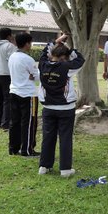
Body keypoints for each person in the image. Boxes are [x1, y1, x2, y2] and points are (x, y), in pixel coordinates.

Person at [38, 34, 85, 177]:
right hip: (66, 109)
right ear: (65, 57)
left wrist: (56, 42)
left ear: (52, 55)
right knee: (65, 137)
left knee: (48, 137)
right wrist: (69, 49)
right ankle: (65, 169)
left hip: (48, 108)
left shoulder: (42, 64)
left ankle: (44, 167)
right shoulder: (67, 67)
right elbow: (80, 59)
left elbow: (45, 51)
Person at [7, 32, 40, 157]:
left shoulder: (12, 56)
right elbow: (37, 77)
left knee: (15, 121)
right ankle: (27, 149)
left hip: (14, 91)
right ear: (27, 44)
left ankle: (13, 148)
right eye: (30, 43)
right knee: (29, 122)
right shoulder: (28, 59)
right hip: (28, 94)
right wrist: (33, 76)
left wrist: (32, 76)